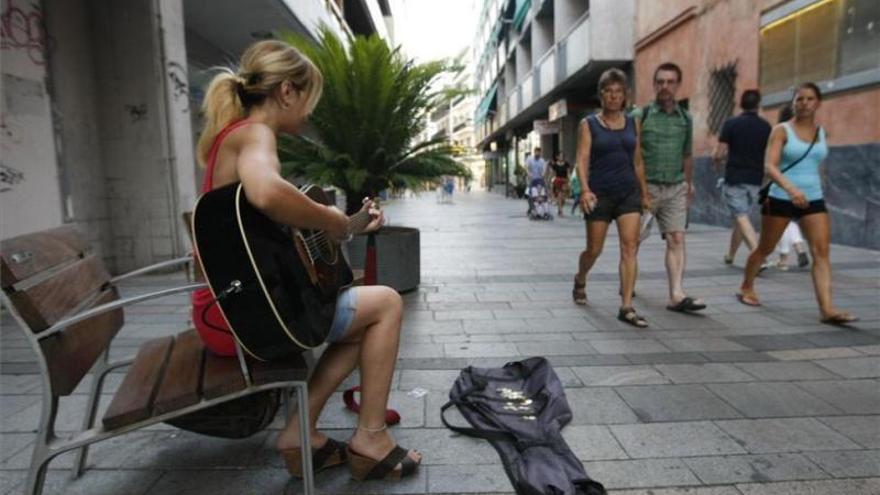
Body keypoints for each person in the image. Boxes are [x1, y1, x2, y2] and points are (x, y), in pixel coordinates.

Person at [192, 40, 421, 481]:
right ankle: (370, 438)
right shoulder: (255, 134)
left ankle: (301, 433)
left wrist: (352, 226)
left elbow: (266, 237)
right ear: (287, 92)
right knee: (388, 303)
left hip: (224, 311)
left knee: (358, 316)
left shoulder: (230, 137)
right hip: (240, 320)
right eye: (310, 99)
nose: (311, 113)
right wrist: (331, 217)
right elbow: (266, 193)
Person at [737, 82, 857, 325]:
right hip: (781, 197)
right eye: (799, 99)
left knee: (821, 253)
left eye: (810, 99)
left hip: (813, 198)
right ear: (793, 103)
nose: (804, 103)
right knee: (765, 249)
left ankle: (827, 308)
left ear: (818, 102)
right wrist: (791, 189)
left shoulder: (821, 132)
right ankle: (746, 286)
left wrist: (815, 189)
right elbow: (769, 166)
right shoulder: (781, 130)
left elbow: (816, 164)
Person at [574, 68, 650, 327]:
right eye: (608, 91)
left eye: (618, 91)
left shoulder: (633, 123)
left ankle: (626, 305)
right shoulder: (588, 124)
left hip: (628, 192)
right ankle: (581, 277)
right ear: (601, 95)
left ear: (625, 95)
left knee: (630, 248)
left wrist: (645, 192)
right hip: (600, 194)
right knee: (594, 249)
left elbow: (637, 160)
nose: (614, 96)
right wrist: (585, 189)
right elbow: (582, 160)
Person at [632, 62, 706, 313]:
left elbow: (687, 154)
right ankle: (628, 281)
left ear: (677, 85)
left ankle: (676, 294)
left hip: (675, 186)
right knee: (634, 241)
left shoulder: (685, 119)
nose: (665, 87)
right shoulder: (640, 116)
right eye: (660, 82)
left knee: (676, 238)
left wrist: (688, 183)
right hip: (646, 187)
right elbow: (634, 154)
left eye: (670, 82)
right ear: (654, 85)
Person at [713, 89, 771, 266]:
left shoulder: (731, 123)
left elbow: (720, 153)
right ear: (758, 104)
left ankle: (758, 256)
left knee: (740, 216)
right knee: (741, 218)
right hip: (756, 180)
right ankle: (730, 255)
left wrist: (717, 162)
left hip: (735, 177)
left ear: (741, 103)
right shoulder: (766, 126)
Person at [550, 152, 572, 216]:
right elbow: (552, 173)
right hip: (557, 180)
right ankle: (560, 210)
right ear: (557, 157)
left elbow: (568, 173)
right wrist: (550, 181)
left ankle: (560, 208)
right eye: (560, 156)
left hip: (564, 181)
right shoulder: (555, 165)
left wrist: (570, 180)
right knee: (559, 196)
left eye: (562, 156)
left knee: (564, 199)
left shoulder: (566, 164)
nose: (561, 157)